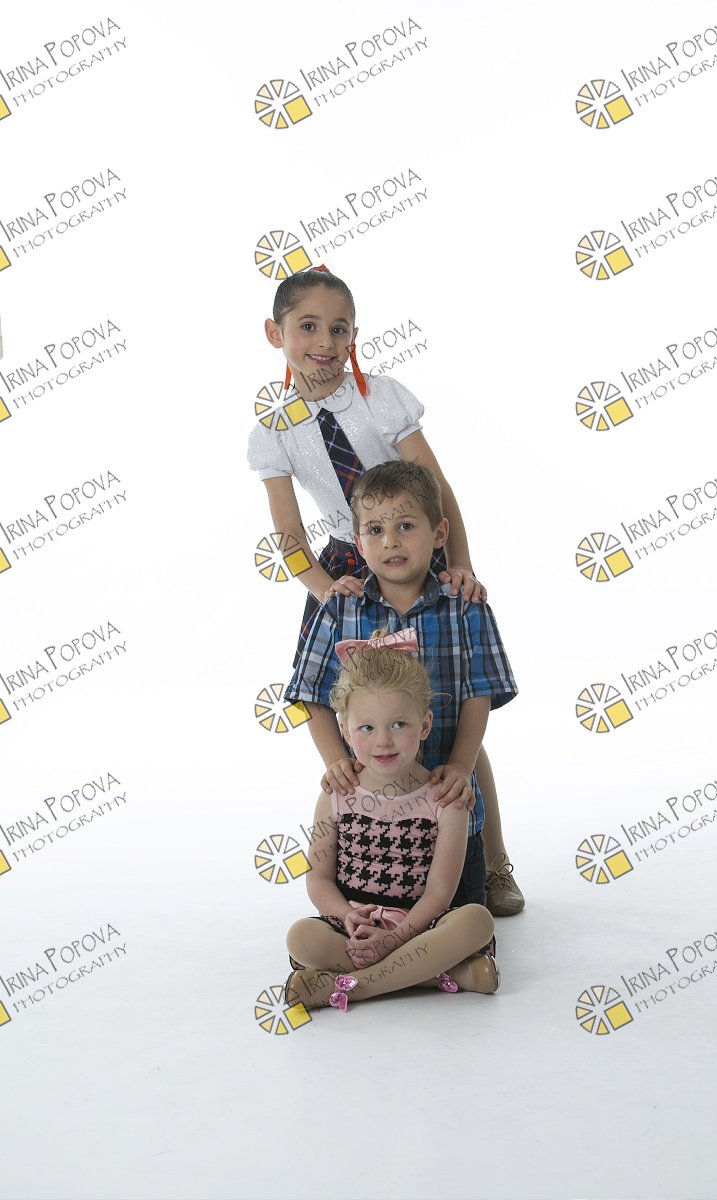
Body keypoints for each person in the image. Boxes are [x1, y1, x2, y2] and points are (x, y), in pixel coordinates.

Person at [247, 266, 524, 914]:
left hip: (414, 549)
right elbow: (288, 533)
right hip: (350, 570)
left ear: (354, 334)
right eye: (308, 326)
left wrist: (459, 564)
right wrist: (330, 591)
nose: (325, 341)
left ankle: (491, 863)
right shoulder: (273, 429)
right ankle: (378, 871)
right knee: (368, 716)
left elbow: (438, 488)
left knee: (449, 715)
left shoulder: (381, 398)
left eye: (338, 328)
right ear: (275, 333)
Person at [284, 459, 518, 919]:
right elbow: (310, 694)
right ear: (358, 542)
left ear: (439, 533)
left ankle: (436, 940)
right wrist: (335, 761)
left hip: (448, 814)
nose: (390, 541)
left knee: (464, 922)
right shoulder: (340, 609)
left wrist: (459, 766)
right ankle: (388, 952)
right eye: (375, 530)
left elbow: (480, 694)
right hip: (369, 827)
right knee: (361, 923)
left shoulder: (465, 607)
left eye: (406, 526)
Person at [286, 629, 498, 1012]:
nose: (383, 740)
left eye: (399, 724)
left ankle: (352, 987)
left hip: (420, 928)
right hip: (354, 927)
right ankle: (446, 974)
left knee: (476, 920)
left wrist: (395, 939)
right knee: (301, 936)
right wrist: (347, 916)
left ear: (425, 725)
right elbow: (318, 880)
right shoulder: (336, 795)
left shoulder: (444, 800)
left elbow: (439, 894)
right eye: (367, 728)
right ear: (346, 731)